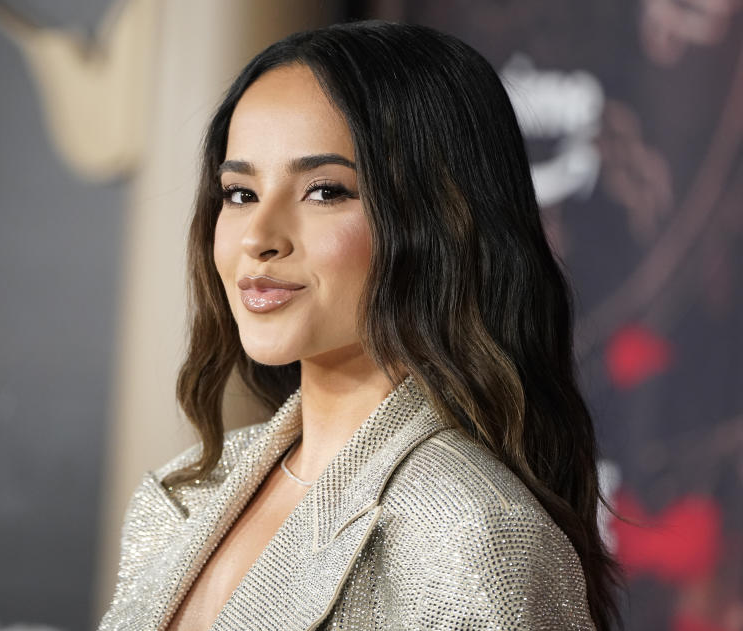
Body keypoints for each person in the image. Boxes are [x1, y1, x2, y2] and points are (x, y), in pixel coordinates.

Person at [98, 20, 621, 631]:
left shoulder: (471, 538)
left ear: (442, 221)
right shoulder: (184, 496)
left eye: (324, 191)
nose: (259, 237)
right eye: (240, 193)